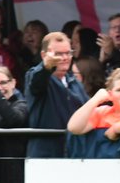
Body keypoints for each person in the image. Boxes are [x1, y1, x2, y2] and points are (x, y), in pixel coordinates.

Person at [24, 31, 86, 159]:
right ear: (43, 55)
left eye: (68, 53)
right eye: (58, 54)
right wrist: (46, 66)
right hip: (45, 155)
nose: (64, 58)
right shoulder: (36, 76)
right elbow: (37, 81)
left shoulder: (74, 82)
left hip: (73, 153)